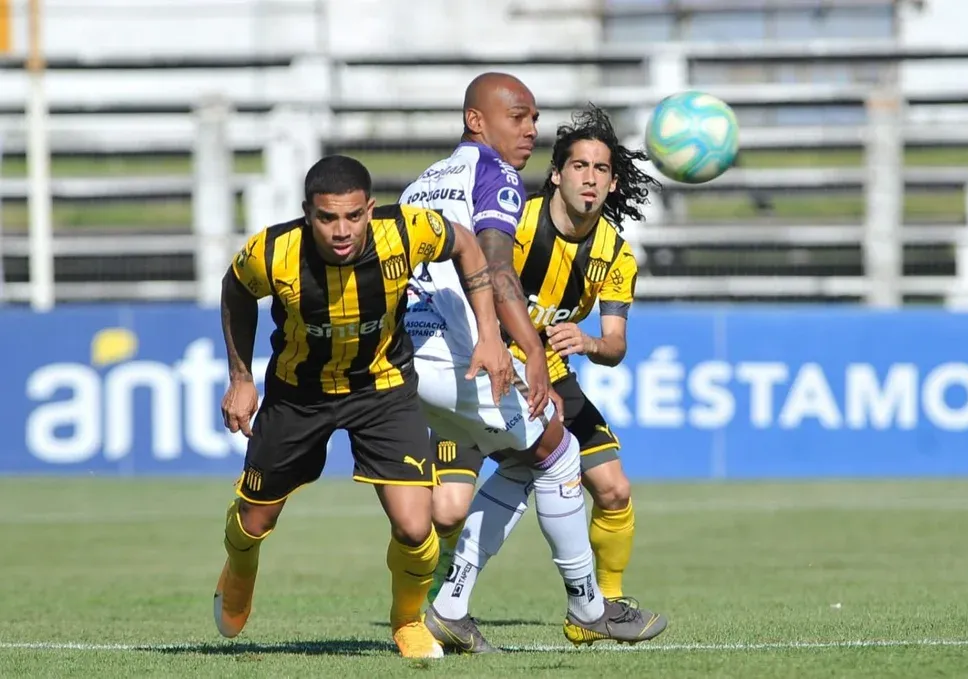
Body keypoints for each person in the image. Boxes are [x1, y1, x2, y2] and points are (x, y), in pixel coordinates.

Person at [400, 74, 666, 653]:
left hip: (412, 357)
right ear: (477, 121)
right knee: (553, 453)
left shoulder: (425, 183)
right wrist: (522, 348)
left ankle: (452, 609)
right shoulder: (499, 182)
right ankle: (588, 609)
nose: (530, 130)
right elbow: (497, 273)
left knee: (539, 460)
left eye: (534, 118)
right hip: (470, 357)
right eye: (518, 117)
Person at [213, 154, 513, 659]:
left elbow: (465, 243)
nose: (341, 230)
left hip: (383, 388)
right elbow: (236, 288)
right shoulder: (273, 252)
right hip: (299, 393)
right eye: (327, 218)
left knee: (416, 527)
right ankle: (240, 567)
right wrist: (241, 378)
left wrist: (490, 334)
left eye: (353, 216)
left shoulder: (406, 231)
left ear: (370, 210)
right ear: (308, 213)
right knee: (254, 521)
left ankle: (408, 621)